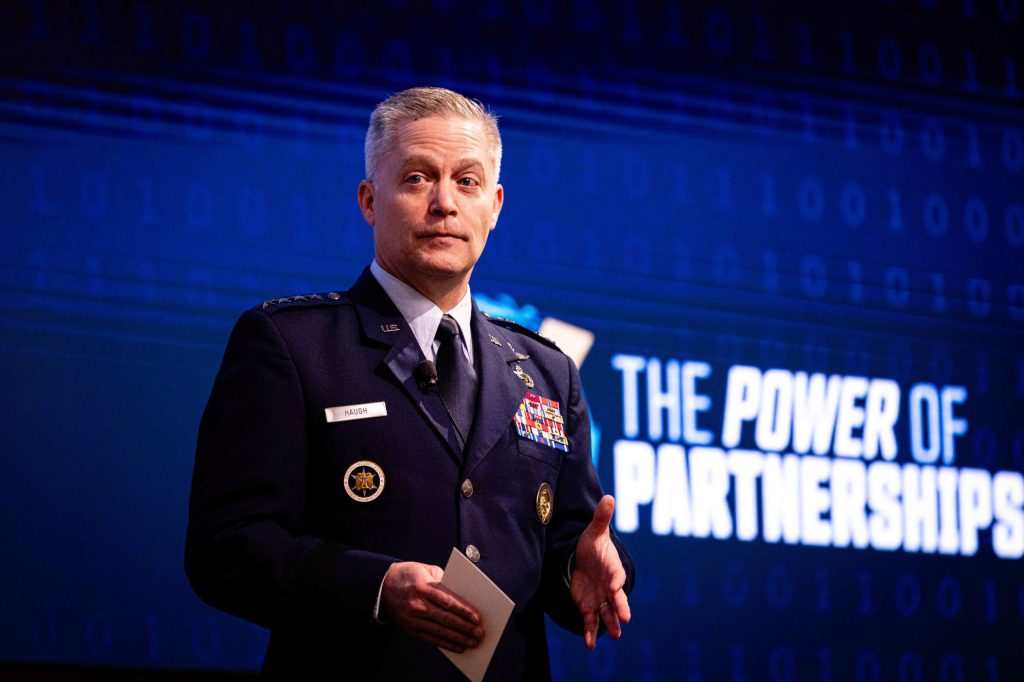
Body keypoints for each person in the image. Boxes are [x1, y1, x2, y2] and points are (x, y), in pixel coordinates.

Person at [185, 86, 634, 680]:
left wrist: (582, 568)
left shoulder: (549, 373)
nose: (445, 203)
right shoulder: (290, 346)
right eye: (418, 178)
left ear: (495, 206)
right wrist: (375, 586)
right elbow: (226, 548)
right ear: (370, 200)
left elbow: (565, 548)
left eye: (467, 182)